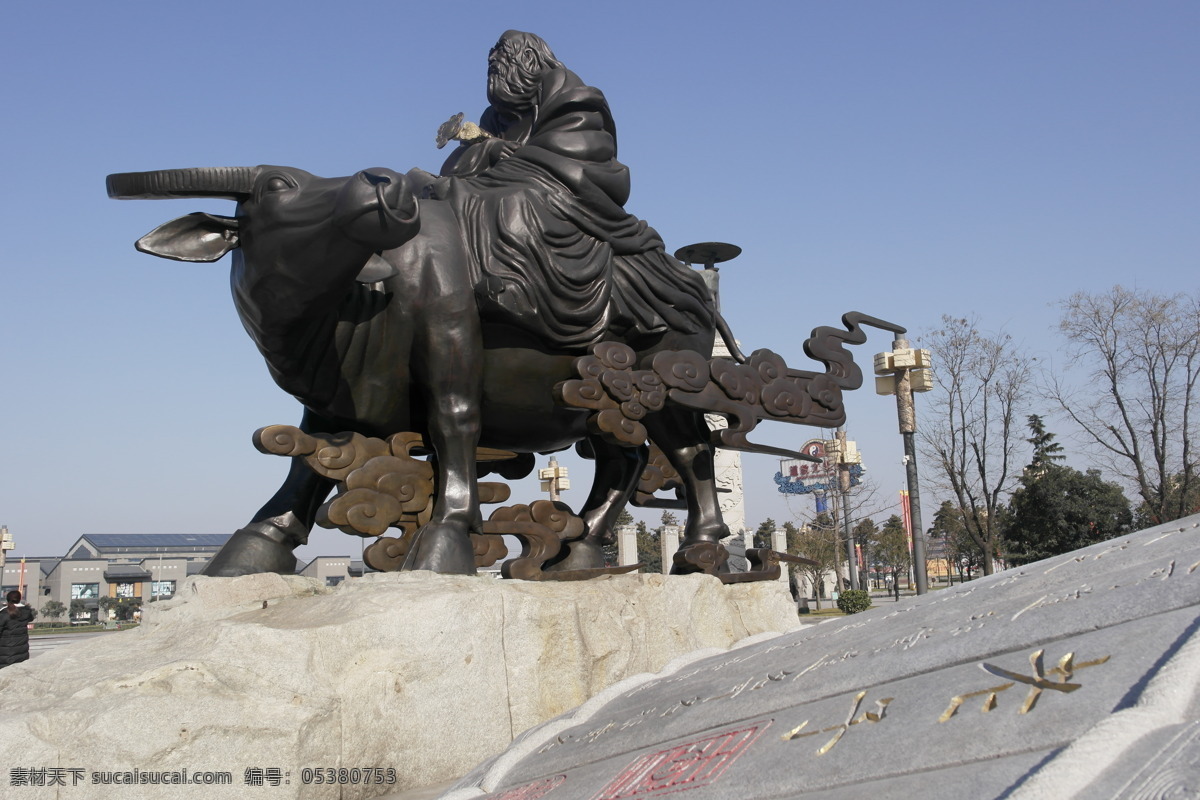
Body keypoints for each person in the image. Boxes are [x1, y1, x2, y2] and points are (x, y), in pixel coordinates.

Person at [431, 30, 713, 350]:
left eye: (501, 55)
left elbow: (581, 150)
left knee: (514, 204)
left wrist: (513, 159)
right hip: (513, 185)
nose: (492, 61)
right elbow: (476, 162)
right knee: (457, 195)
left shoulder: (564, 89)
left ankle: (518, 287)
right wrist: (489, 151)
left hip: (565, 196)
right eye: (490, 60)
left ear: (528, 59)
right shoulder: (494, 117)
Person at [1, 589, 37, 668]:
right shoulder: (26, 611)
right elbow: (31, 618)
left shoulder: (4, 614)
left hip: (6, 656)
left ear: (7, 599)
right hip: (22, 653)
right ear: (19, 599)